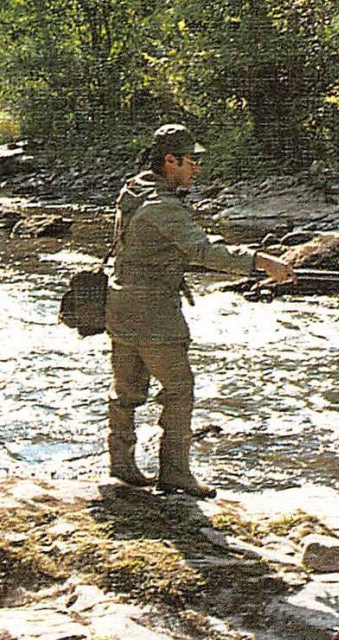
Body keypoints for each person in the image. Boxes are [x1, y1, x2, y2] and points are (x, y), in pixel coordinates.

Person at [105, 124, 294, 497]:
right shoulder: (164, 207)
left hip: (120, 306)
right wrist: (262, 262)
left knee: (125, 392)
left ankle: (121, 466)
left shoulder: (134, 191)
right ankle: (174, 472)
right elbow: (205, 252)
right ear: (169, 161)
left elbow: (149, 248)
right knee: (178, 390)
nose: (197, 169)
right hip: (155, 314)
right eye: (191, 161)